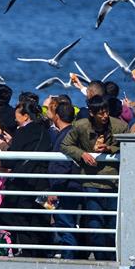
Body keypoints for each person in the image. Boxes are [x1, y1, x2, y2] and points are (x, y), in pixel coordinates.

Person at [60, 95, 128, 261]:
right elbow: (65, 145)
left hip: (113, 182)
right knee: (95, 225)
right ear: (91, 112)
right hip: (90, 181)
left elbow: (129, 146)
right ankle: (100, 259)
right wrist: (82, 154)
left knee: (112, 225)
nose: (105, 116)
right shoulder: (80, 126)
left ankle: (112, 260)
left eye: (106, 112)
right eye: (100, 113)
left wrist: (109, 149)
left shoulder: (120, 127)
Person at [0, 100, 53, 257]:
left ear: (25, 116)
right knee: (41, 219)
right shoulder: (45, 131)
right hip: (43, 183)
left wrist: (4, 149)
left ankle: (28, 253)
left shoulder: (22, 132)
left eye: (17, 116)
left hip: (24, 184)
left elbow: (11, 160)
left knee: (19, 218)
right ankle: (42, 252)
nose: (15, 119)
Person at [49, 100, 83, 258]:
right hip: (73, 185)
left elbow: (61, 165)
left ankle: (69, 257)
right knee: (67, 223)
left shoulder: (64, 136)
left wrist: (54, 188)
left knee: (65, 224)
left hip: (64, 187)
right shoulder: (74, 132)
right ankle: (69, 254)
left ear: (57, 116)